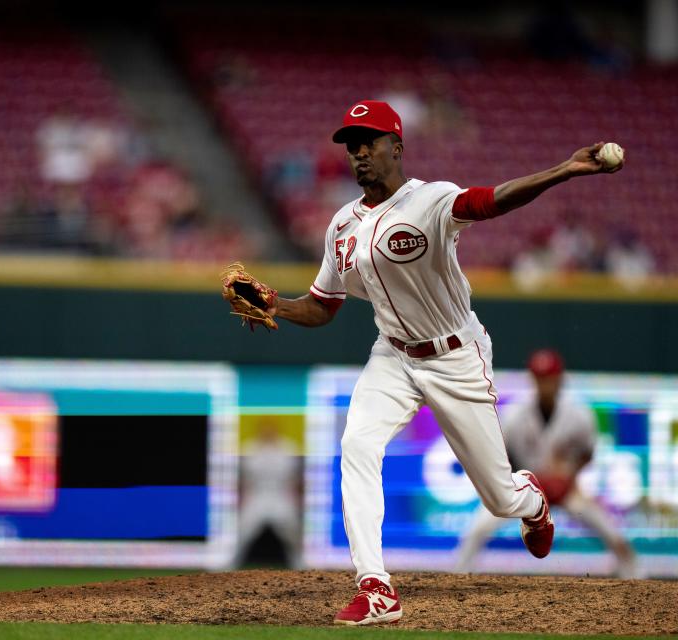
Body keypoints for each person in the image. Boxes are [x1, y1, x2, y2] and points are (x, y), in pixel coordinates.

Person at [255, 100, 622, 626]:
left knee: (498, 498)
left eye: (370, 141)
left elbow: (493, 201)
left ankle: (531, 501)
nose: (359, 152)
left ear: (397, 147)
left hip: (455, 357)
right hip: (392, 356)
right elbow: (322, 306)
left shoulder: (430, 201)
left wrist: (563, 170)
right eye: (351, 144)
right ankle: (375, 587)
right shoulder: (343, 225)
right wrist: (275, 305)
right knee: (357, 444)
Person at [453, 348, 639, 579]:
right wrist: (513, 484)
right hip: (525, 489)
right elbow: (501, 456)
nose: (545, 383)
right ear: (533, 379)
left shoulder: (578, 414)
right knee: (478, 529)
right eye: (540, 378)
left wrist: (569, 477)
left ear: (560, 378)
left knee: (611, 531)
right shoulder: (515, 414)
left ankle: (635, 579)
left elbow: (587, 453)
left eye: (549, 377)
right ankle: (459, 576)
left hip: (565, 488)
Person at [232, 419, 303, 569]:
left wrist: (296, 498)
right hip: (257, 496)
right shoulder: (249, 448)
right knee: (242, 532)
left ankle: (302, 567)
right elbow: (244, 479)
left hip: (280, 495)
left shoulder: (288, 448)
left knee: (292, 534)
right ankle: (225, 566)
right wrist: (241, 498)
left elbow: (295, 479)